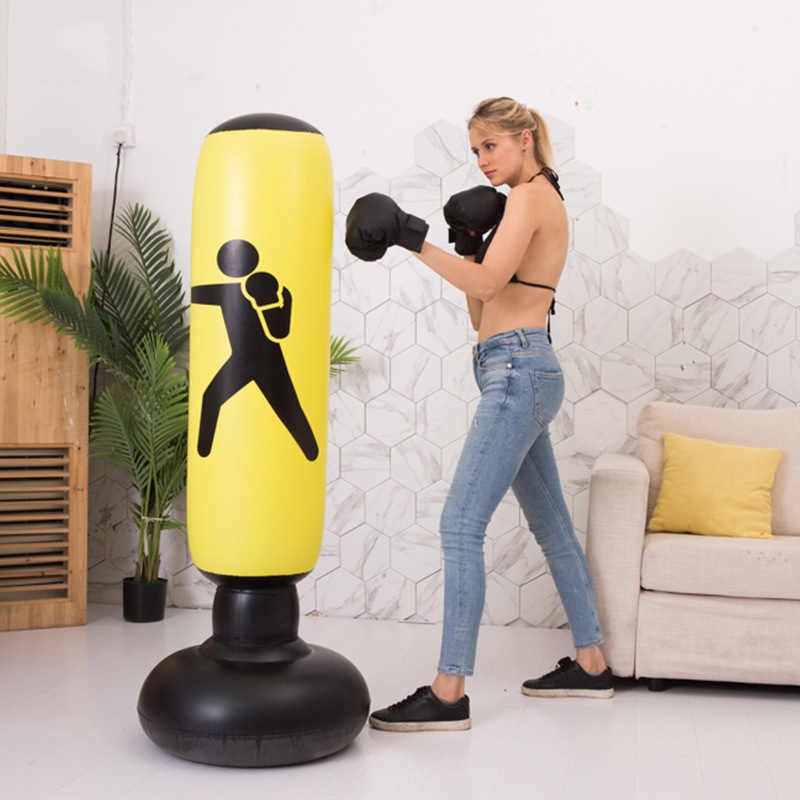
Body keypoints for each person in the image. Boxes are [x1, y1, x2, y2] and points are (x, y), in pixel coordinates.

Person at [345, 96, 613, 732]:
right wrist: (467, 247)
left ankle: (448, 693)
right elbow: (481, 311)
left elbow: (492, 288)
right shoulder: (534, 200)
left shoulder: (531, 197)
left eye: (490, 146)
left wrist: (412, 238)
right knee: (552, 528)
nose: (482, 161)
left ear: (524, 139)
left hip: (518, 371)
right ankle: (592, 663)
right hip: (511, 365)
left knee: (461, 524)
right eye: (474, 150)